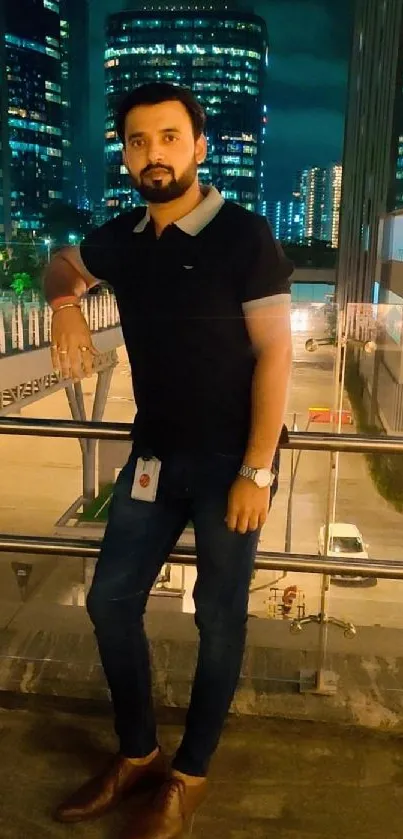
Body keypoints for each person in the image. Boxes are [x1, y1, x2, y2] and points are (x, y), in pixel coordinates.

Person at [44, 82, 293, 839]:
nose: (154, 153)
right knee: (108, 600)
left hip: (228, 464)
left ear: (199, 147)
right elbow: (61, 263)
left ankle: (189, 774)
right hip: (152, 456)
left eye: (169, 138)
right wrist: (64, 308)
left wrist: (256, 469)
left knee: (219, 620)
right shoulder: (123, 237)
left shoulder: (245, 236)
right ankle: (139, 750)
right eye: (138, 141)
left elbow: (276, 353)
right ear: (125, 153)